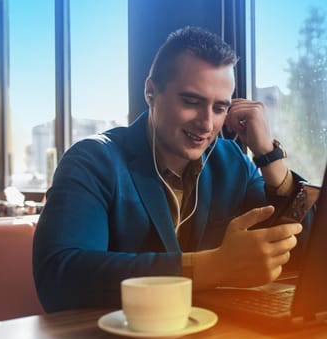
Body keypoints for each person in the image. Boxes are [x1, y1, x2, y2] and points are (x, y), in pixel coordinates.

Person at [32, 26, 312, 312]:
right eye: (192, 102)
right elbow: (60, 277)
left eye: (219, 108)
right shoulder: (93, 160)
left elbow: (310, 254)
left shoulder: (233, 162)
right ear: (151, 92)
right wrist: (213, 266)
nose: (206, 123)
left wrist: (269, 157)